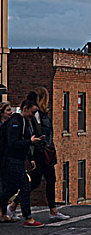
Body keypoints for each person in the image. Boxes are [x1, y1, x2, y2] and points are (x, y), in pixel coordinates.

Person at [7, 88, 70, 221]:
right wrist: (33, 155)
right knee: (40, 181)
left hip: (45, 151)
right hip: (39, 151)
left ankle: (14, 206)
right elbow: (34, 133)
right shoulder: (35, 114)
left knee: (40, 181)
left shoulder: (42, 113)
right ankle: (17, 207)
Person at [0, 99, 44, 226]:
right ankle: (28, 217)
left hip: (17, 160)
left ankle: (7, 210)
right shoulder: (16, 122)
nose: (33, 115)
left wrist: (30, 158)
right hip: (11, 160)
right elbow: (13, 143)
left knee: (11, 188)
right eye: (32, 111)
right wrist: (30, 142)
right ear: (25, 108)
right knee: (25, 185)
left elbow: (25, 141)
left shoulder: (26, 122)